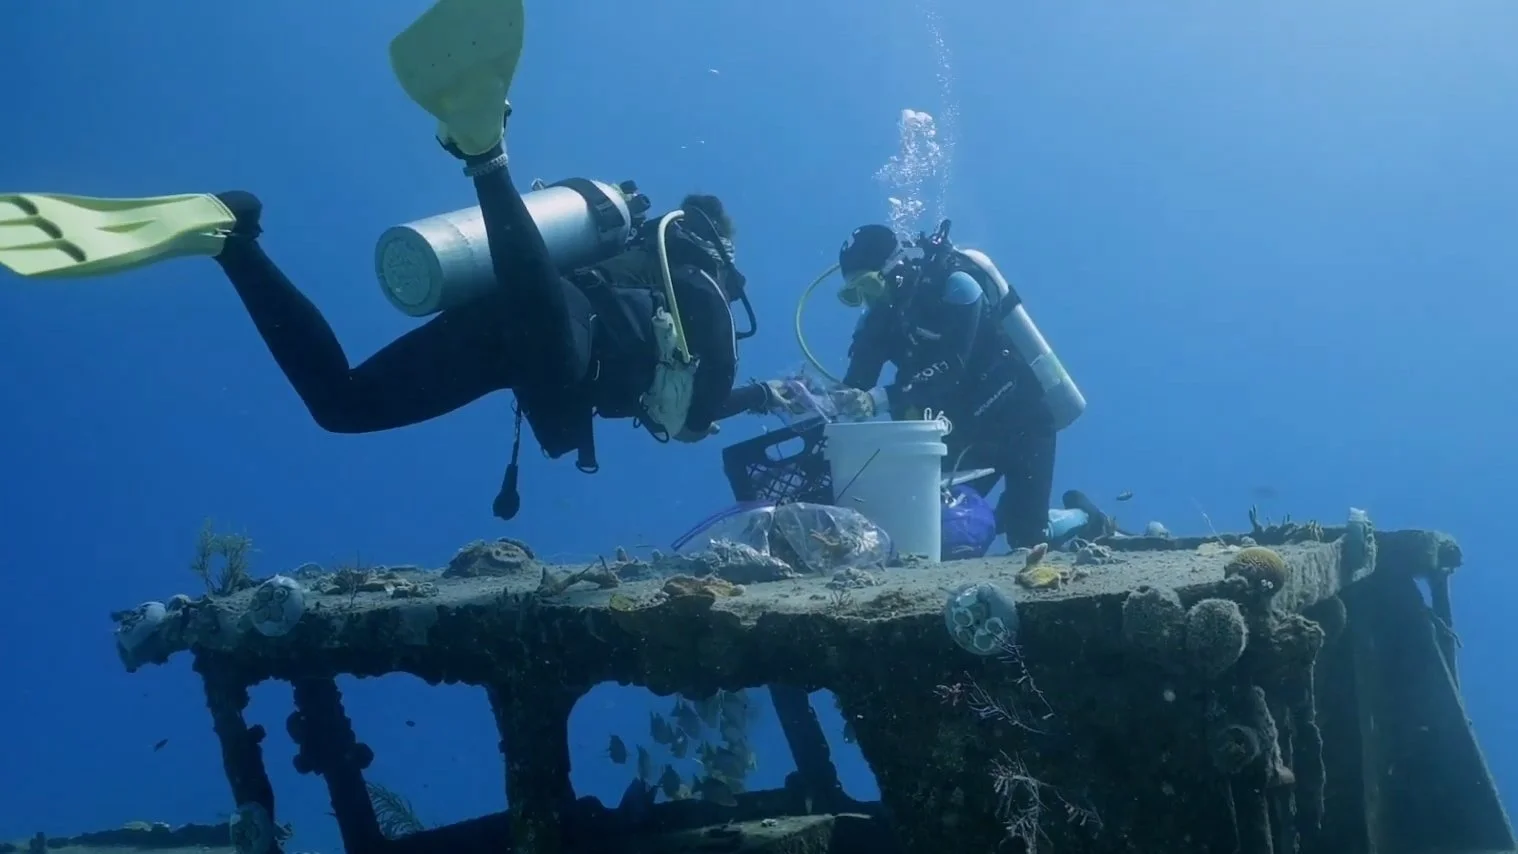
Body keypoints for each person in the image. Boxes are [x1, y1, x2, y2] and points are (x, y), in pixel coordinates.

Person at [830, 222, 1100, 549]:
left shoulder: (955, 285)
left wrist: (880, 398)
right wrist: (815, 397)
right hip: (963, 434)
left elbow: (952, 365)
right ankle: (1011, 515)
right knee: (941, 529)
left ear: (894, 268)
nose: (866, 301)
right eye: (853, 294)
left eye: (868, 286)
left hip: (1021, 419)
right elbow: (855, 387)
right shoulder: (878, 321)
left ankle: (1084, 517)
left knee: (1028, 538)